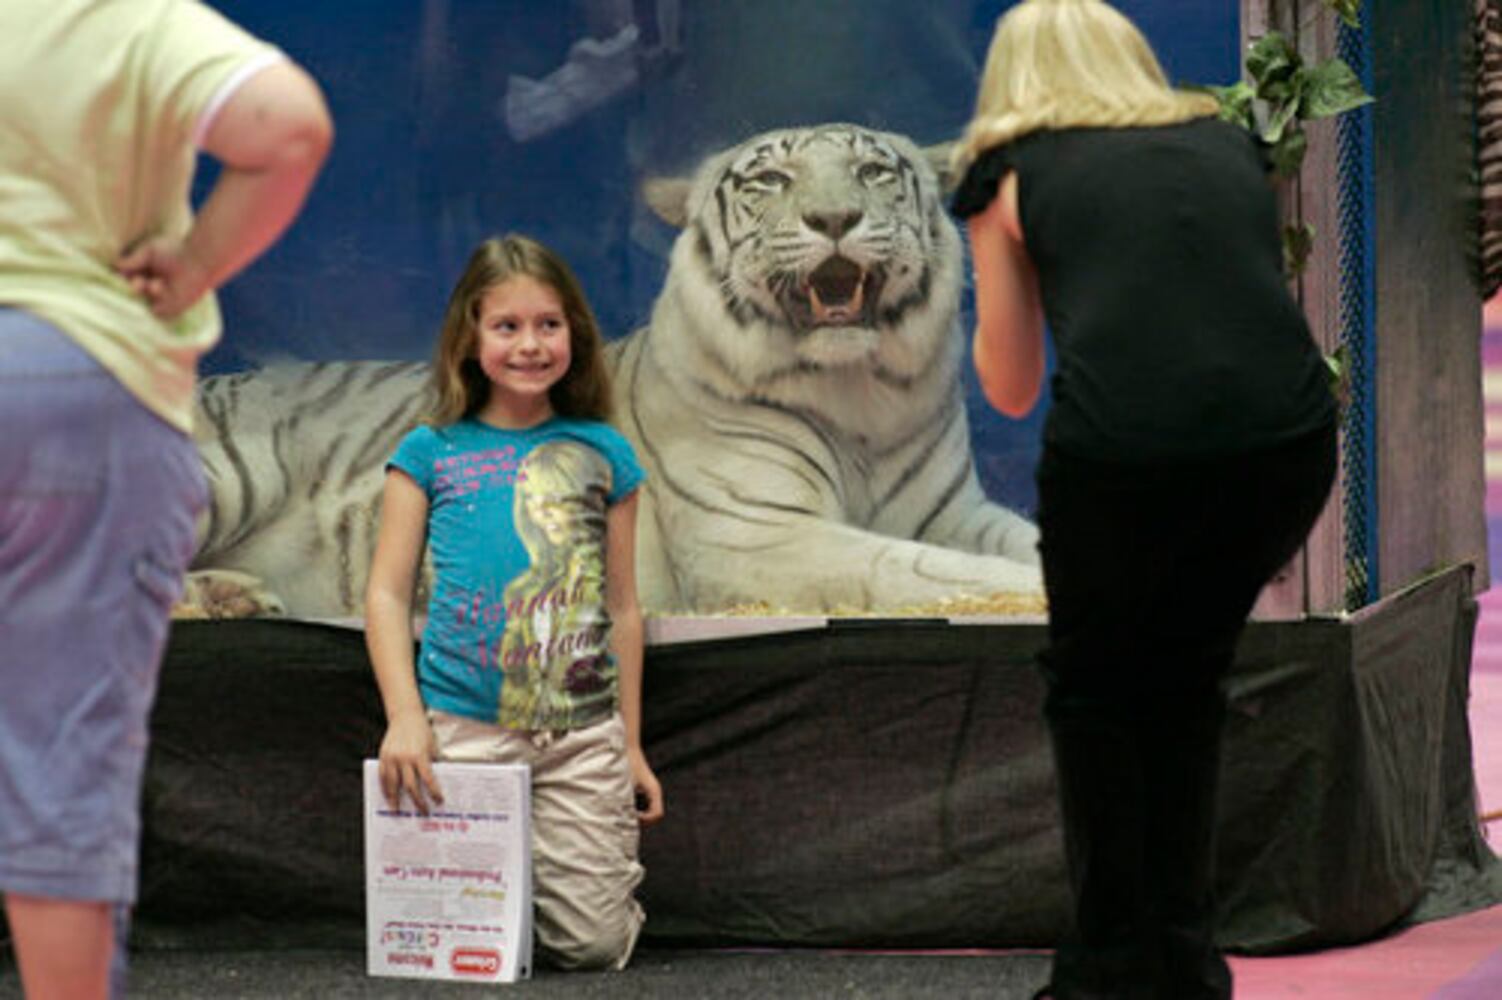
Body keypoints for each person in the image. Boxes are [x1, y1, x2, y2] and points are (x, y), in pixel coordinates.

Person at [949, 2, 1338, 997]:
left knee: (1096, 698)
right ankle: (1180, 965)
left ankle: (1105, 973)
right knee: (1182, 684)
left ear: (1011, 79)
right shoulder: (1221, 142)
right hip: (1283, 444)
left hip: (1127, 454)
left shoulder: (1010, 173)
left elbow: (1007, 385)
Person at [0, 2, 332, 997]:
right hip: (80, 377)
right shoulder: (124, 15)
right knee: (61, 753)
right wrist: (195, 264)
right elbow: (287, 125)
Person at [365, 234, 665, 971]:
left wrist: (628, 742)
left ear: (575, 335)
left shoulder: (605, 452)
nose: (530, 344)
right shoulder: (430, 450)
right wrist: (406, 716)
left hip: (580, 731)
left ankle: (568, 878)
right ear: (470, 338)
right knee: (460, 941)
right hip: (462, 725)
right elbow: (385, 592)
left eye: (548, 325)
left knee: (592, 948)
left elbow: (624, 609)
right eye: (507, 326)